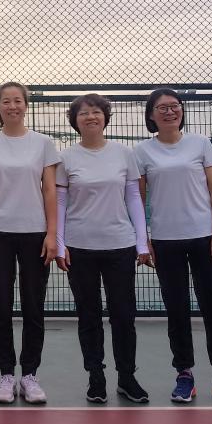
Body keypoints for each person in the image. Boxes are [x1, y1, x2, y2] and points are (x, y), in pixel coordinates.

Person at [135, 88, 212, 405]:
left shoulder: (200, 144)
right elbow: (138, 199)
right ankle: (184, 374)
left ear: (181, 111)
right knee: (177, 310)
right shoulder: (142, 151)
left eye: (175, 106)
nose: (169, 111)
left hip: (203, 237)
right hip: (165, 240)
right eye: (162, 108)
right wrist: (143, 239)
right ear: (151, 115)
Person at [55, 94, 150, 404]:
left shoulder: (124, 154)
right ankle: (95, 376)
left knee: (123, 315)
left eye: (96, 111)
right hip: (79, 247)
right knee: (89, 316)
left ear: (105, 117)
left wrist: (142, 241)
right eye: (83, 113)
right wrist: (59, 244)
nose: (91, 116)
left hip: (120, 246)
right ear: (75, 120)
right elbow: (60, 202)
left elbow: (134, 198)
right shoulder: (66, 158)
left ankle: (127, 377)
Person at [0, 82, 60, 404]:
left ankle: (30, 375)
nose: (12, 106)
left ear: (26, 105)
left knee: (34, 306)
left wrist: (52, 234)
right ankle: (7, 375)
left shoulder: (43, 144)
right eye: (6, 101)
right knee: (1, 306)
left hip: (35, 233)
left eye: (17, 101)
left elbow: (50, 190)